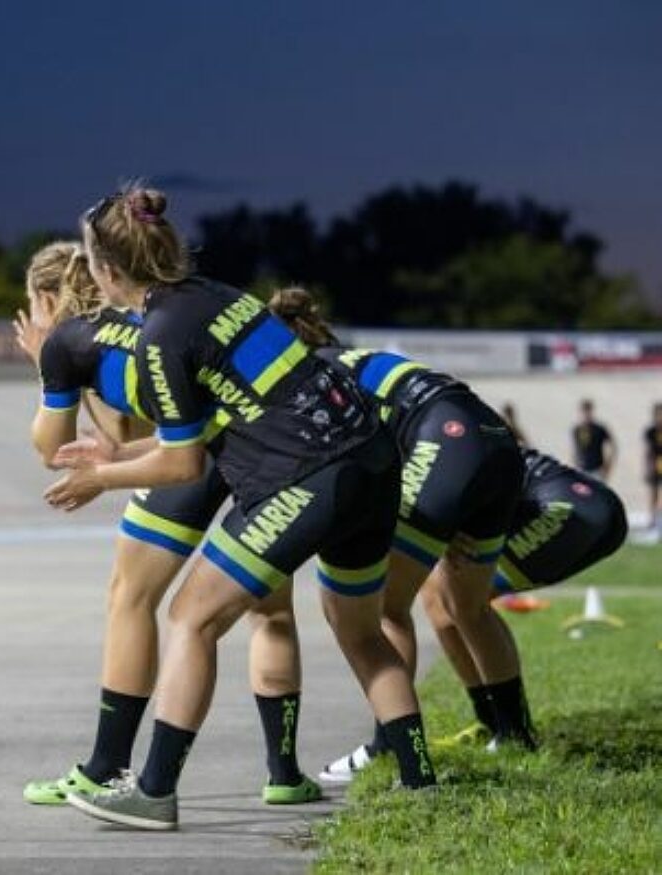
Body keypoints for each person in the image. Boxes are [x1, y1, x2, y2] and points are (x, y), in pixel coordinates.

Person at [48, 187, 436, 831]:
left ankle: (153, 790)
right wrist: (120, 451)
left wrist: (103, 476)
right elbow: (223, 419)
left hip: (309, 477)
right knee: (362, 632)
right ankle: (424, 785)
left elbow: (183, 466)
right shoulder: (219, 295)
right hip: (371, 459)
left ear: (106, 270)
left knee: (192, 616)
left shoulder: (161, 333)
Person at [14, 241, 316, 807]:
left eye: (31, 304)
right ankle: (283, 774)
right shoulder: (139, 314)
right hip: (254, 448)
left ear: (47, 299)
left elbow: (52, 449)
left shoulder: (69, 341)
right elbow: (123, 435)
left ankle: (106, 766)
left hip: (190, 459)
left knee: (130, 598)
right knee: (270, 609)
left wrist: (45, 366)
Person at [264, 291, 534, 782]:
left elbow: (351, 466)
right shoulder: (353, 356)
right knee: (469, 606)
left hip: (446, 442)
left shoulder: (310, 376)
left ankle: (389, 746)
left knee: (384, 607)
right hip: (493, 440)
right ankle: (516, 735)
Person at [422, 447, 626, 748]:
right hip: (572, 504)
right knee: (437, 598)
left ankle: (514, 733)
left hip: (572, 506)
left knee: (464, 598)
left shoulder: (415, 442)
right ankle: (492, 723)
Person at [572, 399, 616, 480]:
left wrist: (608, 466)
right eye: (583, 411)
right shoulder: (577, 429)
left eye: (588, 411)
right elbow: (575, 449)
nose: (586, 414)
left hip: (597, 469)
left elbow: (612, 447)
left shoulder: (599, 429)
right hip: (581, 469)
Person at [644, 403, 662, 534]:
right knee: (653, 494)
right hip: (654, 465)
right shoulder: (650, 431)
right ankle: (652, 519)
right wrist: (648, 467)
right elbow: (648, 451)